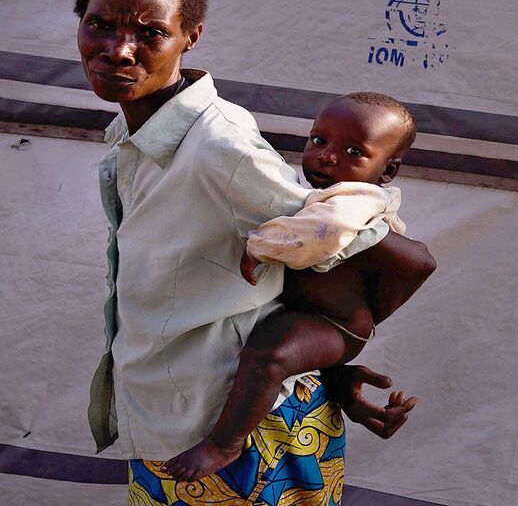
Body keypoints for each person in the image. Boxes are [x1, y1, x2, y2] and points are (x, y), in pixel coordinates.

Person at [77, 0, 435, 505]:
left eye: (151, 34)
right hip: (173, 418)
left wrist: (346, 341)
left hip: (243, 433)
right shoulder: (131, 137)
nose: (119, 50)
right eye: (99, 24)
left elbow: (371, 244)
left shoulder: (219, 145)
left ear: (189, 37)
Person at [162, 92, 431, 482]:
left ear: (387, 172)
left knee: (270, 354)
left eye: (353, 150)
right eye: (319, 141)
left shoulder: (357, 200)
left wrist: (261, 248)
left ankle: (224, 443)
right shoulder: (317, 195)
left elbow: (326, 232)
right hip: (313, 315)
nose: (327, 156)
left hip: (333, 325)